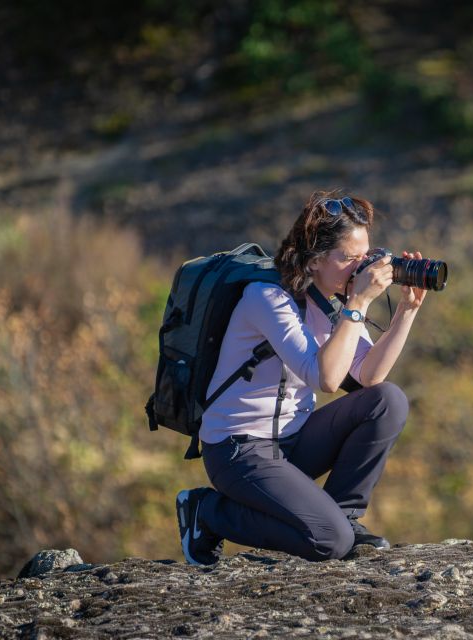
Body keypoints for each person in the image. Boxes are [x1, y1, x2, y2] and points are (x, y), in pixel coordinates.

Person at [174, 191, 426, 564]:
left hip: (293, 442)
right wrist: (357, 304)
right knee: (328, 542)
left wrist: (406, 311)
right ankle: (208, 511)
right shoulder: (267, 298)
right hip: (239, 450)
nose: (361, 269)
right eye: (349, 258)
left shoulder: (332, 305)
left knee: (388, 400)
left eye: (365, 256)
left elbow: (369, 376)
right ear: (313, 261)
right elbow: (323, 378)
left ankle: (346, 517)